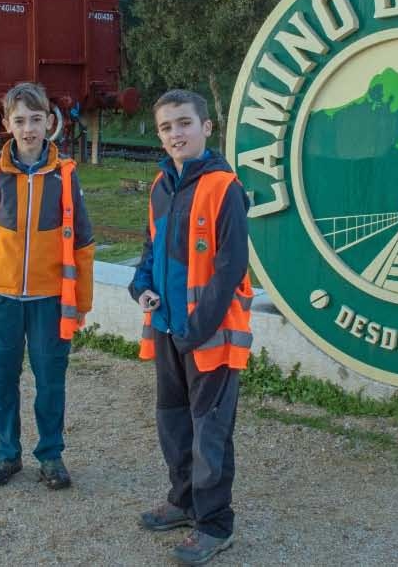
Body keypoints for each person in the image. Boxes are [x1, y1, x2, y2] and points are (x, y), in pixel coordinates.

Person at [128, 89, 253, 566]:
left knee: (210, 433)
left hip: (209, 338)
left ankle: (215, 525)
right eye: (166, 127)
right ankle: (182, 502)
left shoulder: (225, 187)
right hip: (166, 330)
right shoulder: (162, 186)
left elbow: (231, 268)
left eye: (184, 123)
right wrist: (139, 288)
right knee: (174, 424)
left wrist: (196, 328)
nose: (175, 134)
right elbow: (150, 249)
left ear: (206, 127)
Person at [0, 82, 95, 490]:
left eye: (36, 120)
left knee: (50, 381)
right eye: (20, 120)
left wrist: (81, 302)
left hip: (50, 299)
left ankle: (51, 456)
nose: (29, 128)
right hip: (1, 297)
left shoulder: (65, 176)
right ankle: (7, 454)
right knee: (1, 379)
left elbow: (85, 244)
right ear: (7, 124)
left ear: (49, 123)